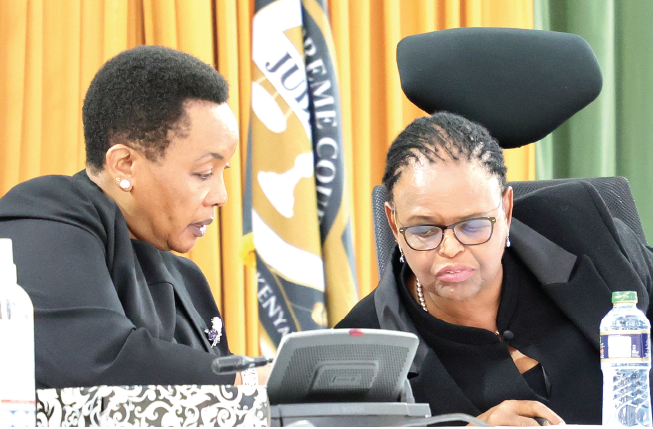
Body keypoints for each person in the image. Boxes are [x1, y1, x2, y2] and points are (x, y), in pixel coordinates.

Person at [336, 111, 653, 426]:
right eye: (424, 230)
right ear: (394, 223)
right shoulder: (358, 351)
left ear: (506, 209)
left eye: (473, 225)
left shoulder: (583, 233)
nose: (450, 249)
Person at [0, 46, 261, 388]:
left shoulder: (188, 279)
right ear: (124, 164)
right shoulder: (45, 212)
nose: (221, 196)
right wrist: (249, 378)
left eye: (222, 171)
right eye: (203, 173)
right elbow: (95, 360)